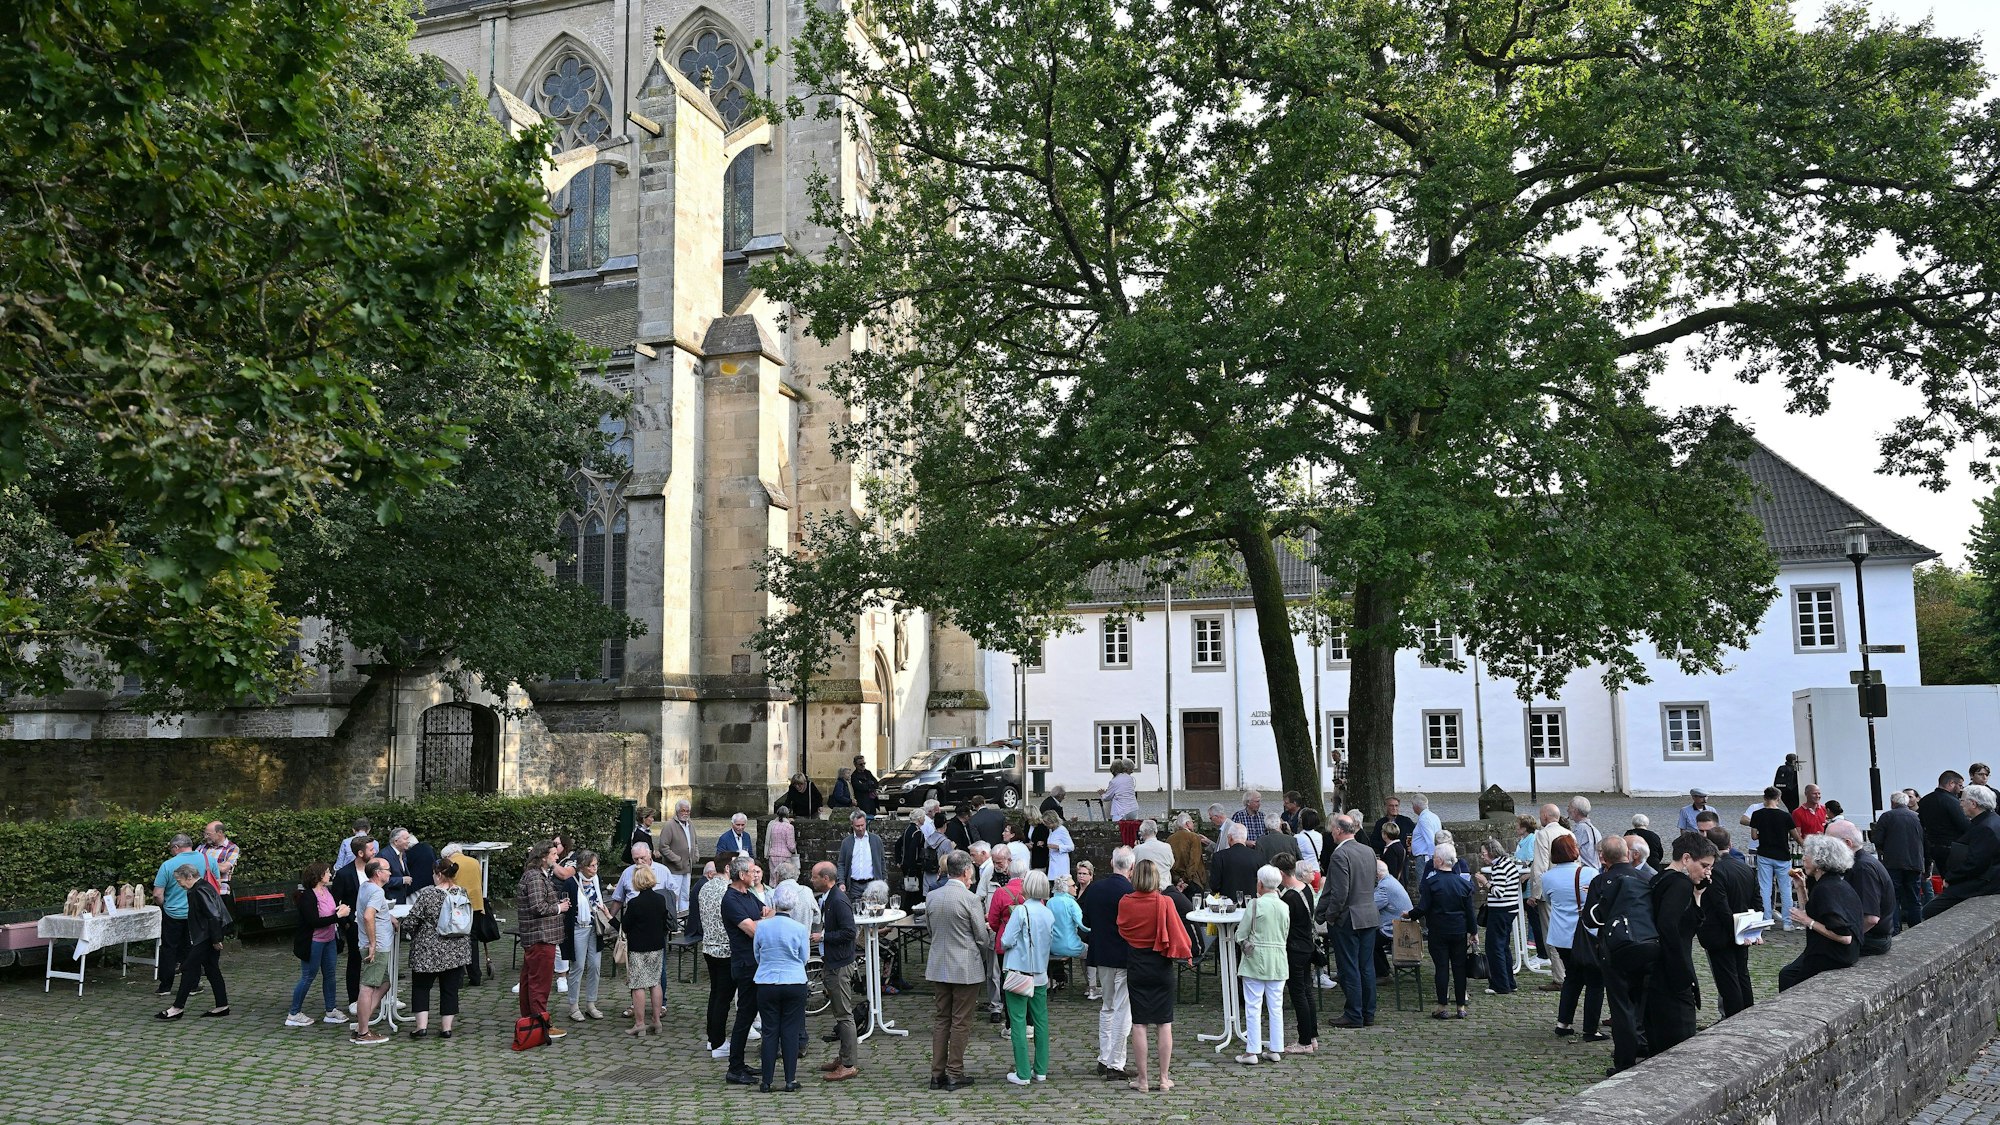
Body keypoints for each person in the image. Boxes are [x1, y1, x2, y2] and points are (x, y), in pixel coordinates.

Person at [1118, 856, 1192, 1093]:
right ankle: (1163, 1078)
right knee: (1164, 1023)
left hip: (1137, 965)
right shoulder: (1165, 902)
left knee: (1139, 1024)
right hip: (1161, 965)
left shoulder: (1125, 902)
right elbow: (1179, 934)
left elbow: (1122, 929)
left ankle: (1143, 1080)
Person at [926, 850, 992, 1091]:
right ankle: (955, 1072)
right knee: (961, 1021)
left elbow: (931, 932)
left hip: (939, 964)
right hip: (965, 967)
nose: (972, 879)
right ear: (965, 872)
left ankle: (937, 1073)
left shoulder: (932, 897)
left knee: (942, 1019)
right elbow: (982, 938)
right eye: (971, 875)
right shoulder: (970, 899)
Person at [1646, 832, 1715, 1059]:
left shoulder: (1659, 878)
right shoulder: (1679, 884)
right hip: (1671, 972)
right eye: (1704, 865)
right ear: (1686, 859)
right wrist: (1682, 974)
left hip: (1656, 969)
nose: (1707, 871)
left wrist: (1697, 895)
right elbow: (1669, 927)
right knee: (1679, 1040)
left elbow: (1683, 925)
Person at [1779, 834, 1864, 990]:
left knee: (1789, 980)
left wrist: (1808, 922)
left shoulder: (1826, 889)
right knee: (1787, 973)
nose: (1803, 859)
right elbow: (1814, 911)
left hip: (1832, 955)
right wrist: (1801, 888)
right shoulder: (1834, 882)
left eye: (1807, 855)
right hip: (1838, 953)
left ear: (1820, 861)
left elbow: (1844, 937)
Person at [1319, 813, 1379, 1028]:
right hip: (1368, 915)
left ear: (1338, 830)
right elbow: (1372, 881)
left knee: (1349, 967)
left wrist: (1331, 916)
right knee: (1366, 967)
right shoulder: (1368, 850)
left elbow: (1340, 893)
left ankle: (1354, 1013)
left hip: (1348, 918)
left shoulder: (1340, 854)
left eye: (1332, 829)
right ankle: (1367, 1012)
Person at [1541, 835, 1602, 1040]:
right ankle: (1591, 1028)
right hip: (1586, 934)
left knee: (1572, 978)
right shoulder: (1589, 873)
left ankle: (1563, 1022)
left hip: (1561, 936)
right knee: (1595, 981)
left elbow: (1549, 900)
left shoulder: (1547, 877)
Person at [403, 856, 472, 1039]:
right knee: (450, 989)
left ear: (439, 874)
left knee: (421, 987)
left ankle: (421, 1027)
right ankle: (446, 1028)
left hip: (428, 948)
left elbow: (412, 920)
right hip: (456, 948)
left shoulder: (428, 894)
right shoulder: (462, 892)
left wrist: (407, 929)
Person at [999, 869, 1056, 1085]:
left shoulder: (1021, 911)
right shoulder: (1048, 912)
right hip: (1040, 973)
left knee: (1018, 1022)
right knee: (1041, 1022)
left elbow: (1006, 940)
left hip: (1018, 973)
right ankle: (1040, 1069)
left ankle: (1023, 1072)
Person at [753, 883, 812, 1091]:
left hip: (767, 981)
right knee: (790, 1031)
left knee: (770, 1032)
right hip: (794, 981)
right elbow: (804, 957)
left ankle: (766, 1081)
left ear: (774, 902)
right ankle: (789, 1079)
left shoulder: (762, 927)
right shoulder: (799, 928)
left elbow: (757, 954)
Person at [1082, 847, 1135, 1078]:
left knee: (1108, 1006)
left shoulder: (1094, 889)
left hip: (1102, 955)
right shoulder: (1131, 891)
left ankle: (1104, 1058)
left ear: (1112, 862)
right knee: (1124, 1010)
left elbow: (1085, 921)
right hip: (1124, 956)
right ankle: (1115, 1063)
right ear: (1131, 868)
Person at [1408, 844, 1477, 1020]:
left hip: (1438, 931)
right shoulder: (1463, 884)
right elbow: (1470, 911)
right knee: (1459, 968)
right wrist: (1473, 932)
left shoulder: (1432, 883)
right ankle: (1461, 1006)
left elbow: (1423, 908)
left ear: (1439, 860)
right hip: (1458, 930)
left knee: (1441, 968)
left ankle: (1442, 1005)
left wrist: (1409, 914)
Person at [157, 864, 230, 1021]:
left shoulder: (198, 890)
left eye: (179, 880)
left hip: (206, 935)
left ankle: (178, 1008)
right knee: (211, 968)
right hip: (209, 933)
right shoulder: (203, 886)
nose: (179, 884)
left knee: (189, 967)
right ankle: (222, 1005)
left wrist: (216, 939)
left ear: (189, 877)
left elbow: (213, 915)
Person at [808, 862, 860, 1081]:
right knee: (839, 1013)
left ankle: (848, 1064)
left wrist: (823, 937)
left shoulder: (838, 901)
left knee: (844, 1014)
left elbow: (850, 932)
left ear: (826, 878)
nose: (811, 880)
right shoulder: (829, 898)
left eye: (814, 877)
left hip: (840, 964)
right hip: (832, 961)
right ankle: (843, 1056)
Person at [514, 839, 570, 1043]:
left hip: (538, 936)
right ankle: (540, 1024)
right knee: (539, 984)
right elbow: (538, 907)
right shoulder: (535, 877)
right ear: (543, 856)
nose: (557, 857)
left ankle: (530, 1022)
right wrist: (558, 908)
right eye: (554, 854)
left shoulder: (537, 876)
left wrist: (557, 903)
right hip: (540, 936)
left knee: (529, 981)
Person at [1699, 827, 1758, 1018]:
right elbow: (1757, 902)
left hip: (1721, 934)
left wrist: (1736, 931)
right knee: (1742, 975)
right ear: (1730, 845)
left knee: (1728, 980)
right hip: (1743, 931)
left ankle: (1734, 1018)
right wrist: (1750, 930)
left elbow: (1721, 907)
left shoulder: (1715, 871)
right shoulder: (1745, 868)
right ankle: (1748, 1013)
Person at [1234, 864, 1290, 1065]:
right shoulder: (1284, 906)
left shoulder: (1255, 905)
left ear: (1260, 883)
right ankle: (1276, 1048)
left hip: (1256, 959)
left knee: (1253, 1005)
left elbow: (1241, 933)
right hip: (1278, 960)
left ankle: (1252, 1051)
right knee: (1276, 1006)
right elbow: (1285, 933)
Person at [721, 855, 769, 1086]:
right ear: (741, 875)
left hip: (756, 962)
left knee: (749, 1015)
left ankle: (739, 1063)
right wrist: (758, 923)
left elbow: (769, 912)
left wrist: (759, 921)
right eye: (752, 871)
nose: (756, 875)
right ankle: (734, 1067)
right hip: (745, 964)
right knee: (744, 1017)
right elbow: (752, 930)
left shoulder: (747, 894)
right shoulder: (730, 900)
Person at [1924, 783, 2000, 919]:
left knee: (1929, 911)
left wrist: (1951, 878)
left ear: (1973, 804)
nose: (1960, 804)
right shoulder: (1993, 820)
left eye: (1962, 800)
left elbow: (1976, 862)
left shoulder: (1985, 827)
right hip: (1989, 879)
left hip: (1984, 882)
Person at [286, 862, 348, 1028]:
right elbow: (314, 921)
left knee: (330, 975)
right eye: (327, 872)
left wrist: (339, 911)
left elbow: (330, 912)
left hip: (329, 940)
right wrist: (338, 916)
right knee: (308, 976)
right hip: (313, 942)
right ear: (319, 876)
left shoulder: (326, 891)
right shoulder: (308, 896)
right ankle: (294, 1013)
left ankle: (331, 1010)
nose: (330, 875)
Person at [150, 834, 207, 999]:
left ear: (176, 847)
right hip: (197, 914)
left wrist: (165, 905)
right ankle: (193, 985)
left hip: (173, 913)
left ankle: (165, 986)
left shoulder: (167, 865)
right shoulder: (207, 861)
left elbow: (157, 894)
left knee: (169, 949)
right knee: (192, 949)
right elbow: (215, 884)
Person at [1826, 820, 1893, 956]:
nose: (1826, 847)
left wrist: (1846, 938)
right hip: (1871, 937)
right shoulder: (1860, 863)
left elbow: (1871, 918)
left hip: (1872, 940)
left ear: (1847, 843)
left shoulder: (1862, 868)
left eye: (1830, 843)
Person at [1274, 853, 1320, 1048]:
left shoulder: (1290, 896)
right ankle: (1312, 1036)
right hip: (1307, 945)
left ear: (1282, 873)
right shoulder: (1306, 888)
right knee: (1307, 991)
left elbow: (1282, 924)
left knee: (1298, 994)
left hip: (1295, 948)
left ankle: (1304, 1042)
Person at [347, 858, 394, 1043]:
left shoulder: (366, 886)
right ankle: (363, 1033)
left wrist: (389, 917)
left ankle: (362, 1025)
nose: (390, 872)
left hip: (372, 944)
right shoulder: (376, 891)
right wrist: (373, 944)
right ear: (378, 873)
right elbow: (368, 916)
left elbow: (371, 911)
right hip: (376, 946)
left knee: (384, 983)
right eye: (387, 869)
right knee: (367, 987)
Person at [621, 865, 670, 1037]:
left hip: (638, 948)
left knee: (638, 985)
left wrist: (609, 918)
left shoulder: (634, 903)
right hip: (657, 945)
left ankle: (640, 1024)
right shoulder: (660, 900)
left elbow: (625, 926)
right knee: (655, 982)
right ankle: (656, 1021)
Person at [562, 851, 608, 1022]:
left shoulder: (597, 880)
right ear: (582, 866)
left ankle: (591, 1003)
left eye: (596, 865)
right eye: (591, 866)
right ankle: (573, 1005)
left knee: (595, 965)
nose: (595, 868)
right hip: (577, 928)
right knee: (578, 966)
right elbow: (567, 908)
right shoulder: (570, 883)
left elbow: (599, 900)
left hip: (595, 927)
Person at [330, 836, 375, 1010]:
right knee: (355, 959)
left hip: (375, 921)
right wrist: (346, 924)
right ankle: (353, 999)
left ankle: (380, 996)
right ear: (360, 853)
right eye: (371, 849)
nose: (374, 851)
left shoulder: (376, 869)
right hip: (354, 924)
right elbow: (335, 901)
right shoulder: (345, 873)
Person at [699, 859, 736, 1058]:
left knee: (715, 995)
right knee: (723, 998)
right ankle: (719, 1042)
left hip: (708, 947)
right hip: (725, 950)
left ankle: (712, 1038)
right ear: (728, 868)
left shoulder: (705, 887)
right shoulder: (727, 890)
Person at [436, 843, 488, 986]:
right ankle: (475, 975)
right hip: (476, 905)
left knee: (457, 941)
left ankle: (457, 978)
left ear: (447, 856)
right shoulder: (474, 862)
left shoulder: (451, 864)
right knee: (473, 941)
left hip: (458, 906)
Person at [1476, 837, 1522, 996]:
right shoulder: (1508, 864)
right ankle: (1509, 982)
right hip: (1509, 910)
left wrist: (1485, 882)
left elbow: (1498, 892)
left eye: (1484, 853)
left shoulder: (1499, 868)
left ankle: (1500, 985)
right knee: (1503, 947)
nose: (1482, 856)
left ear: (1492, 852)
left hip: (1501, 911)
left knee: (1494, 947)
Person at [1877, 789, 1927, 932]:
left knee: (1893, 898)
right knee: (1914, 898)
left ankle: (1895, 929)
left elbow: (1878, 839)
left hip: (1893, 863)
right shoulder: (1917, 817)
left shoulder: (1887, 817)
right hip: (1914, 862)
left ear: (1893, 803)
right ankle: (1916, 928)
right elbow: (1925, 840)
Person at [1749, 786, 1799, 927]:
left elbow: (1754, 836)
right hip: (1783, 855)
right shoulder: (1785, 816)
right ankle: (1787, 923)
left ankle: (1766, 921)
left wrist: (1763, 834)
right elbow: (1795, 836)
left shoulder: (1757, 814)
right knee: (1785, 889)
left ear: (1765, 798)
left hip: (1764, 854)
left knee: (1765, 888)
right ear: (1778, 798)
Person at [1920, 771, 1971, 889]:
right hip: (1954, 849)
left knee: (1946, 882)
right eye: (1960, 786)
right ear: (1951, 783)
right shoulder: (1952, 801)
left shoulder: (1925, 801)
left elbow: (1922, 824)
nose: (1960, 790)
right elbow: (1964, 825)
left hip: (1934, 848)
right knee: (1958, 884)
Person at [1049, 873, 1087, 990]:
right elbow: (1083, 925)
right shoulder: (1071, 903)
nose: (1076, 887)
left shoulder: (1050, 902)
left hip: (1053, 946)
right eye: (1073, 885)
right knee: (1092, 952)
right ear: (1065, 888)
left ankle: (1055, 980)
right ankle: (1091, 986)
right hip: (1070, 946)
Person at [1211, 821, 1262, 902]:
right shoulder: (1258, 856)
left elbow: (1214, 885)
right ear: (1245, 838)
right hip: (1251, 902)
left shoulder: (1219, 857)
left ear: (1230, 837)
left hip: (1227, 903)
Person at [661, 799, 698, 909]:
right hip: (674, 869)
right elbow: (663, 846)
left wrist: (695, 855)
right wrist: (677, 859)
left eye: (688, 811)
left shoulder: (690, 825)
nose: (686, 813)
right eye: (683, 811)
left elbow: (694, 842)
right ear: (677, 811)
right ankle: (674, 922)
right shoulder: (669, 825)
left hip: (687, 868)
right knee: (674, 896)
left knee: (685, 896)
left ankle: (683, 922)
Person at [197, 820, 239, 900]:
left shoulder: (232, 848)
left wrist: (202, 863)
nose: (205, 837)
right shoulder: (202, 847)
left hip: (221, 891)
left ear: (219, 833)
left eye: (208, 834)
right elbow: (191, 864)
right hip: (202, 890)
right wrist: (216, 865)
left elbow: (224, 869)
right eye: (205, 834)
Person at [1168, 813, 1208, 891]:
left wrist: (1178, 879)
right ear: (1187, 824)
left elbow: (1170, 861)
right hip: (1193, 880)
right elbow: (1194, 861)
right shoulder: (1194, 837)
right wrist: (1185, 878)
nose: (1193, 824)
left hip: (1176, 881)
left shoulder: (1170, 839)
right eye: (1192, 822)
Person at [1103, 759, 1141, 835]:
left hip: (1120, 811)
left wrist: (1102, 794)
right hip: (1133, 809)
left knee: (1117, 832)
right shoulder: (1130, 779)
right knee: (1132, 831)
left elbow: (1107, 797)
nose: (1132, 771)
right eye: (1131, 769)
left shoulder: (1114, 781)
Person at [1134, 819, 1175, 885]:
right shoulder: (1167, 847)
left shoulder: (1137, 849)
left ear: (1142, 833)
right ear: (1156, 831)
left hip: (1146, 886)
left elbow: (1134, 868)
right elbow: (1171, 864)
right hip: (1164, 885)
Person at [1568, 797, 1602, 869]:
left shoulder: (1581, 829)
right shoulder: (1594, 829)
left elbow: (1571, 851)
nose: (1567, 810)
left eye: (1569, 807)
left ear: (1575, 811)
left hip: (1587, 869)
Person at [1410, 793, 1441, 870]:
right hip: (1429, 856)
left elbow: (1430, 840)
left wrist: (1432, 860)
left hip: (1425, 857)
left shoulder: (1424, 819)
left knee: (1423, 881)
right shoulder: (1434, 816)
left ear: (1416, 806)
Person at [1042, 810, 1075, 882]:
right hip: (1052, 863)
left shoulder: (1062, 830)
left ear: (1053, 821)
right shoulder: (1051, 830)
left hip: (1061, 864)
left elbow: (1071, 847)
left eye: (1047, 823)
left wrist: (1058, 847)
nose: (1045, 824)